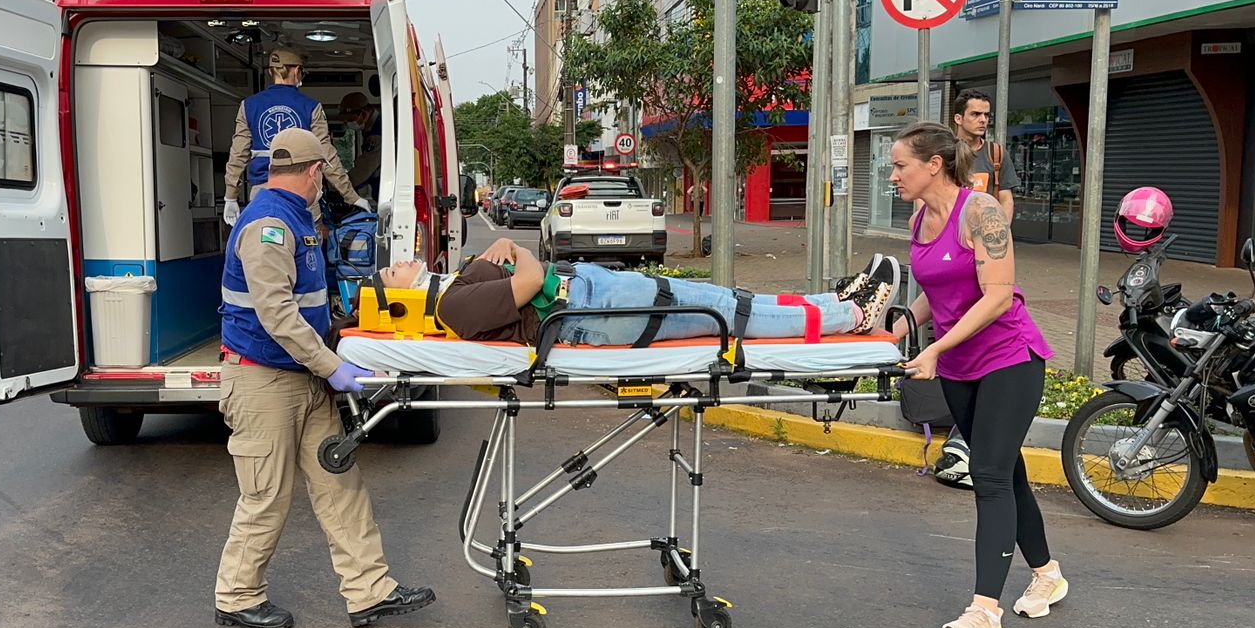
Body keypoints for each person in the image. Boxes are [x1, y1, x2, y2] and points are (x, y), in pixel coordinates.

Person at [214, 127, 435, 628]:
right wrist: (335, 367)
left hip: (304, 379)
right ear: (315, 172)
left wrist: (346, 334)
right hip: (262, 380)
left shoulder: (296, 219)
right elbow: (277, 314)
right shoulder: (268, 225)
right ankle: (237, 595)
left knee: (341, 485)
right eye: (322, 178)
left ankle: (369, 591)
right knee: (267, 495)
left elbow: (309, 309)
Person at [884, 120, 1063, 628]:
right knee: (1009, 475)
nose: (892, 176)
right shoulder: (920, 217)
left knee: (987, 475)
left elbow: (998, 297)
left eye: (899, 166)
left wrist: (934, 348)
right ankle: (1048, 572)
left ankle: (985, 611)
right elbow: (933, 293)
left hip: (1009, 359)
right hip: (960, 367)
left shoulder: (980, 213)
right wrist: (894, 333)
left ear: (933, 165)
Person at [375, 240, 899, 345]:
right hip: (592, 311)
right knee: (722, 311)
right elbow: (531, 280)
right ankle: (852, 317)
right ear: (401, 297)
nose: (397, 263)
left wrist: (506, 245)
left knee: (725, 298)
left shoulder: (454, 286)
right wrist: (520, 246)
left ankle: (838, 303)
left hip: (592, 295)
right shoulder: (450, 305)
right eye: (390, 273)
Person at [223, 49, 369, 223]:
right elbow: (327, 157)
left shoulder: (248, 106)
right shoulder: (311, 107)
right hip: (302, 193)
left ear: (271, 72)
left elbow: (238, 155)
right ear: (297, 71)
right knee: (306, 247)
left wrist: (231, 196)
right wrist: (351, 196)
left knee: (267, 245)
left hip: (262, 193)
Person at [952, 88, 1019, 222]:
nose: (983, 120)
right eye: (975, 114)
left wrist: (1001, 234)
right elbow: (926, 195)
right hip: (951, 232)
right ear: (959, 119)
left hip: (985, 233)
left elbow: (1006, 200)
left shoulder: (996, 154)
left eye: (986, 115)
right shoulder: (943, 151)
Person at [337, 91, 382, 199]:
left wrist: (338, 185)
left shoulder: (377, 135)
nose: (348, 124)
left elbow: (363, 170)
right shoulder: (370, 129)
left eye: (351, 119)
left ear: (364, 114)